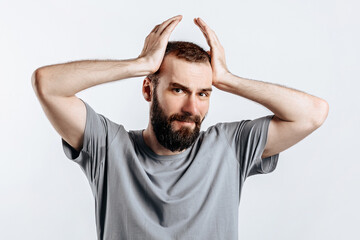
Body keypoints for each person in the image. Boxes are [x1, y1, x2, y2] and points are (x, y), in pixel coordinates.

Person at [31, 15, 329, 240]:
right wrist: (139, 64)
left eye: (203, 93)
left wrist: (228, 79)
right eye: (178, 90)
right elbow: (48, 84)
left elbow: (313, 114)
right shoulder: (109, 147)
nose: (192, 108)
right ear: (148, 90)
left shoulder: (230, 146)